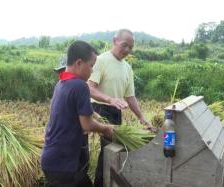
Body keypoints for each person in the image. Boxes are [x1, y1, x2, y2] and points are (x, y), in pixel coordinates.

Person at [41, 40, 114, 187]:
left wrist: (97, 116)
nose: (92, 71)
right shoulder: (80, 86)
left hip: (51, 160)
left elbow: (73, 110)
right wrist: (106, 129)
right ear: (79, 63)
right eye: (91, 66)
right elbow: (86, 125)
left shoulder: (61, 84)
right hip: (63, 164)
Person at [87, 29, 154, 187]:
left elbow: (130, 97)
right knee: (108, 153)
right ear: (114, 41)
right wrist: (110, 99)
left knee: (117, 152)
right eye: (124, 45)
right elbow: (90, 88)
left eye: (130, 47)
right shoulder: (101, 60)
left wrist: (142, 118)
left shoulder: (127, 68)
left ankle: (111, 182)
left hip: (116, 112)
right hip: (99, 110)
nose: (127, 50)